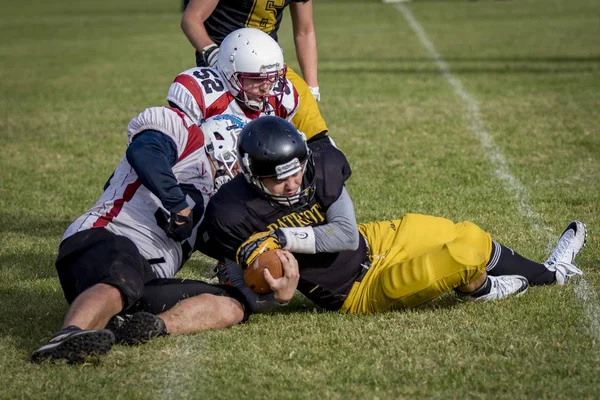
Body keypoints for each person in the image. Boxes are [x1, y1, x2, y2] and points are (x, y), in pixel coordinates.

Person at [113, 116, 586, 340]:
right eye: (282, 179)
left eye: (298, 170)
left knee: (463, 231)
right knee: (465, 253)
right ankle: (483, 284)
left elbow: (341, 232)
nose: (296, 182)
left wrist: (282, 237)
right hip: (359, 289)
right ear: (253, 176)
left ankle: (548, 272)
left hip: (373, 240)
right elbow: (258, 286)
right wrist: (274, 285)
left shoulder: (322, 164)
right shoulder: (231, 214)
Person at [29, 110, 245, 363]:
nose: (243, 172)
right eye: (242, 162)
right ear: (222, 143)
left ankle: (140, 326)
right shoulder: (186, 136)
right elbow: (145, 152)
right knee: (124, 274)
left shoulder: (219, 205)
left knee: (233, 303)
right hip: (105, 237)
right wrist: (178, 204)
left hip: (147, 281)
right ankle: (67, 336)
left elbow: (241, 248)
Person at [179, 0, 329, 141]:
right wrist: (214, 55)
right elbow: (191, 20)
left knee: (312, 127)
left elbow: (305, 31)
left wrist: (312, 87)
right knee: (228, 137)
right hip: (224, 65)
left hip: (268, 68)